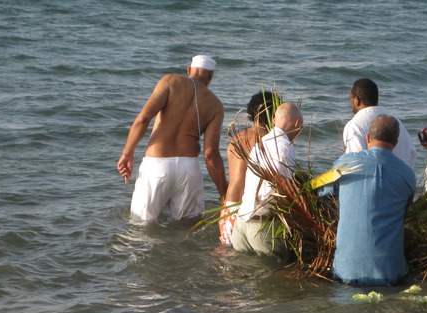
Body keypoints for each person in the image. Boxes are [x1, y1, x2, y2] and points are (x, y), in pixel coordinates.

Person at [117, 55, 227, 222]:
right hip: (189, 169)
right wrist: (224, 193)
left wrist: (127, 153)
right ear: (211, 76)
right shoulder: (216, 105)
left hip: (157, 166)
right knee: (187, 228)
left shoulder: (170, 81)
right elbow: (210, 153)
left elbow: (143, 119)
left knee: (140, 227)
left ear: (189, 70)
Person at [321, 114, 416, 285]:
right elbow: (406, 209)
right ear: (396, 142)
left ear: (367, 138)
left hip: (346, 272)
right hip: (391, 273)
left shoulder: (345, 164)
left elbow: (320, 191)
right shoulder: (407, 174)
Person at [231, 102, 304, 256]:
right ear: (297, 124)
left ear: (274, 120)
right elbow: (281, 184)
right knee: (270, 276)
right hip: (261, 227)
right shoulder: (284, 145)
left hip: (241, 222)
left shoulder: (261, 143)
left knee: (241, 275)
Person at [219, 91, 275, 246]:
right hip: (248, 208)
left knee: (226, 255)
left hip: (229, 204)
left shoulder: (235, 139)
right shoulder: (270, 140)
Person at [343, 78, 417, 169]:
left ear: (356, 100)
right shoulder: (396, 122)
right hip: (403, 179)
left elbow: (355, 164)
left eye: (350, 97)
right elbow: (412, 153)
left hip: (375, 182)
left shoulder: (355, 125)